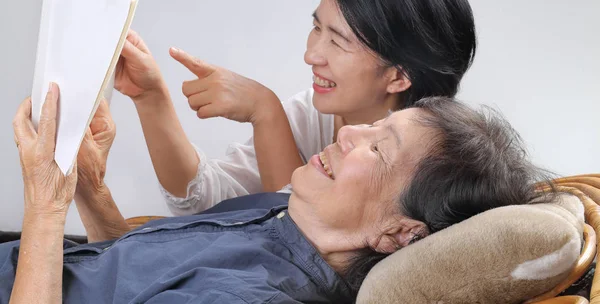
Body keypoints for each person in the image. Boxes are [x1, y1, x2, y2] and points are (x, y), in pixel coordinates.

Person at [2, 85, 552, 303]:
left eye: (379, 149)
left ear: (400, 232)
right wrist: (91, 190)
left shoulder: (252, 299)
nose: (348, 132)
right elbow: (127, 271)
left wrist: (46, 205)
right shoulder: (288, 213)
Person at [115, 0, 478, 215]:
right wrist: (151, 98)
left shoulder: (418, 162)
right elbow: (204, 200)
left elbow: (294, 236)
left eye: (337, 41)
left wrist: (265, 112)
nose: (312, 55)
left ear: (399, 76)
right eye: (316, 27)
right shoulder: (315, 112)